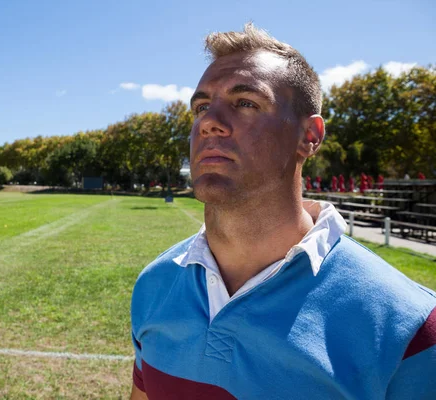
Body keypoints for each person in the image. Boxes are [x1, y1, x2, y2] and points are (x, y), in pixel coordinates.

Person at [130, 24, 436, 400]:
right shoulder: (154, 284)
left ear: (310, 137)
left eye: (246, 103)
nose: (209, 121)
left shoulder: (409, 327)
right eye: (202, 107)